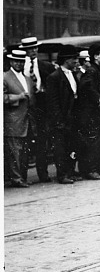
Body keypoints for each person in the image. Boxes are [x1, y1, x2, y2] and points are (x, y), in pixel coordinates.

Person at [20, 36, 56, 183]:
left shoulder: (45, 66)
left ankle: (43, 173)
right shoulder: (19, 66)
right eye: (30, 49)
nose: (33, 51)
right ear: (25, 51)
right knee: (24, 141)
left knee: (42, 141)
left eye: (35, 48)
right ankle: (21, 176)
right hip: (23, 107)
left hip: (41, 108)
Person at [46, 45, 81, 184]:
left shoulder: (72, 75)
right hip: (61, 120)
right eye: (74, 59)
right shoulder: (54, 77)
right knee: (61, 148)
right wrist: (59, 121)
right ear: (66, 60)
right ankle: (62, 174)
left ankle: (71, 172)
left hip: (72, 118)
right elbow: (53, 103)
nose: (76, 62)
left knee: (72, 146)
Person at [77, 44, 100, 180]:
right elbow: (86, 86)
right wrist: (98, 98)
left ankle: (95, 167)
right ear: (95, 56)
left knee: (97, 141)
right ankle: (90, 169)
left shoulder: (97, 70)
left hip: (94, 113)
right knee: (92, 142)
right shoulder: (92, 71)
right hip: (89, 114)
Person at [4, 49, 35, 187]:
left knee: (24, 152)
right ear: (11, 61)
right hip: (13, 120)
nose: (18, 64)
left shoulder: (27, 79)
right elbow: (3, 98)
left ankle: (22, 176)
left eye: (21, 61)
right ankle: (16, 178)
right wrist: (18, 97)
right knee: (14, 151)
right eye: (16, 61)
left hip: (27, 120)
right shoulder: (4, 77)